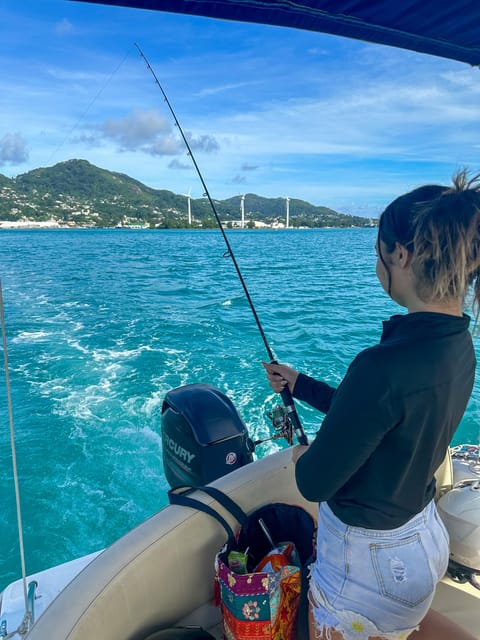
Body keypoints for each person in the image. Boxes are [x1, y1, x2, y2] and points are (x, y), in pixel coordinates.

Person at [264, 169, 480, 640]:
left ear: (399, 254)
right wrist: (300, 385)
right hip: (422, 540)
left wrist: (302, 455)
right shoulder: (459, 346)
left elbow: (314, 481)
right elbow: (379, 414)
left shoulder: (381, 366)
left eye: (378, 250)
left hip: (369, 569)